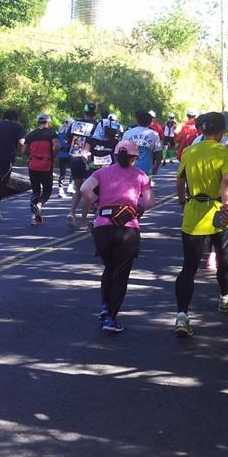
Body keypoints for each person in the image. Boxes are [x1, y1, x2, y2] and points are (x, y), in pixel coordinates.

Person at [174, 112, 228, 337]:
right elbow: (227, 182)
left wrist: (182, 202)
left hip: (193, 212)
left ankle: (182, 316)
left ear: (202, 130)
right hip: (217, 211)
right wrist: (227, 205)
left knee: (189, 267)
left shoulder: (189, 152)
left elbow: (180, 180)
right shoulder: (225, 153)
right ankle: (224, 297)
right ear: (221, 132)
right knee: (222, 256)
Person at [80, 140, 153, 333]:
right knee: (120, 274)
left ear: (114, 155)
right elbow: (149, 202)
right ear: (134, 158)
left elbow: (84, 189)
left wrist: (98, 201)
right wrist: (134, 202)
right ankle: (111, 319)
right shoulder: (141, 175)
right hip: (127, 229)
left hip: (102, 228)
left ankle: (105, 306)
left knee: (109, 268)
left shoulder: (101, 173)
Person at [23, 114, 59, 225]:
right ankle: (39, 205)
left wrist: (32, 155)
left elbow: (23, 150)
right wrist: (52, 156)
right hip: (46, 164)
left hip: (33, 163)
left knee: (35, 191)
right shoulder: (51, 133)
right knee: (47, 191)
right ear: (48, 123)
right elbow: (57, 146)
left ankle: (35, 217)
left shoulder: (31, 134)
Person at [66, 103, 98, 228]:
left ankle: (72, 212)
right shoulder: (97, 125)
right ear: (95, 113)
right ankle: (83, 221)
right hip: (89, 159)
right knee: (88, 190)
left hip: (75, 157)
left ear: (84, 112)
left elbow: (68, 139)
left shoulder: (75, 124)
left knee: (78, 188)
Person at [120, 110, 163, 179]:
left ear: (137, 121)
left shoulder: (127, 133)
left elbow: (121, 151)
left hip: (130, 169)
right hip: (147, 170)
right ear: (150, 122)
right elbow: (159, 153)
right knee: (146, 185)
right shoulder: (154, 134)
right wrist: (156, 167)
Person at [56, 118, 73, 198]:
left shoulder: (60, 132)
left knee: (62, 173)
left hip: (61, 154)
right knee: (73, 171)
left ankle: (61, 189)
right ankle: (70, 187)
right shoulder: (71, 132)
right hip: (70, 154)